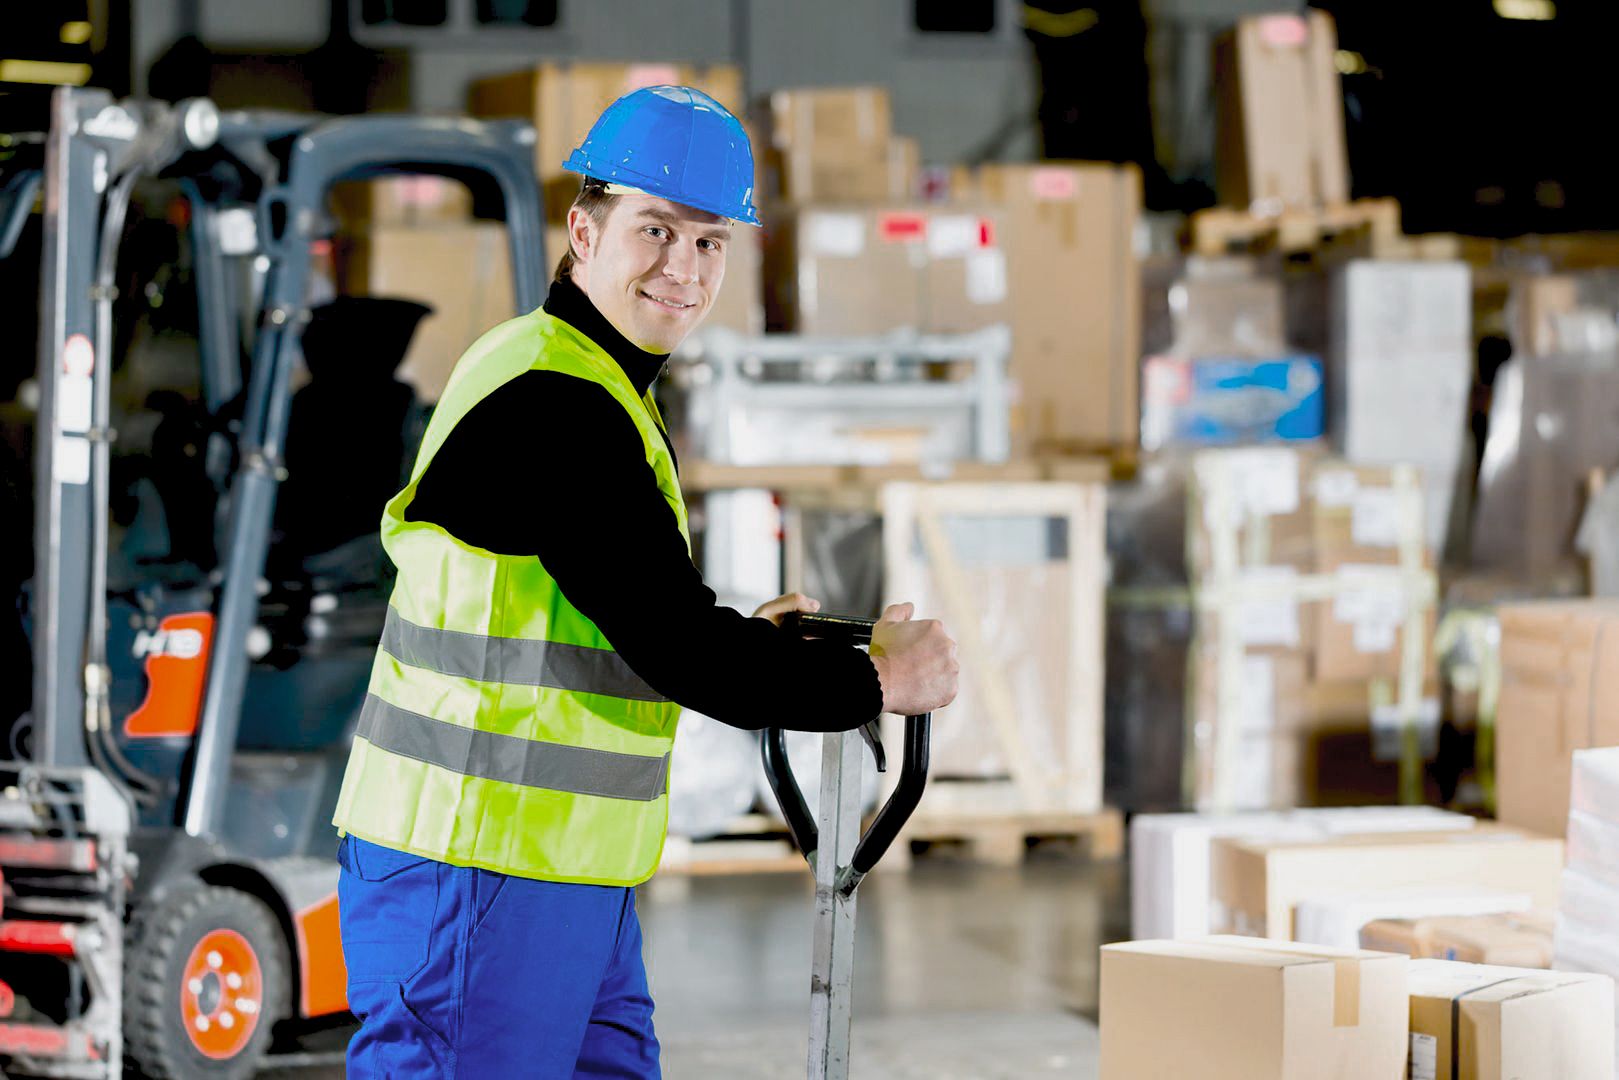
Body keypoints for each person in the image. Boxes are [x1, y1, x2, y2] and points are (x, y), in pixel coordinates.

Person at [331, 85, 959, 1078]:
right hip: (477, 871)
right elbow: (672, 643)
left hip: (561, 872)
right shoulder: (556, 402)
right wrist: (876, 687)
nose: (682, 267)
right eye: (654, 229)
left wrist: (756, 639)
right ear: (583, 230)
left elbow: (617, 611)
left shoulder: (593, 383)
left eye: (708, 243)